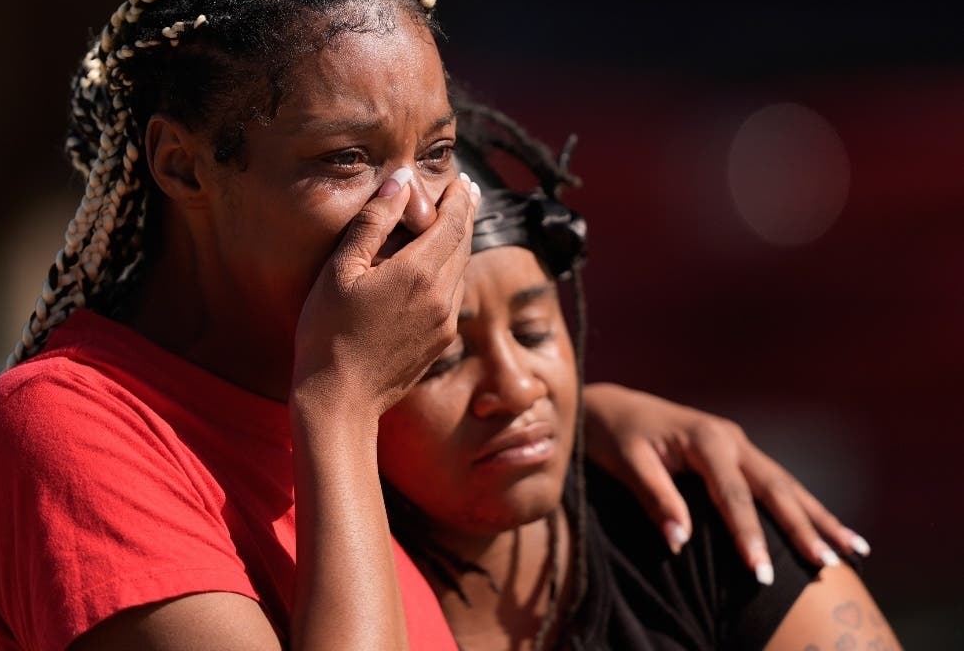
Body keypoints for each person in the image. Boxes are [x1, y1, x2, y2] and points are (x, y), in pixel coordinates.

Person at [0, 0, 869, 651]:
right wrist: (340, 406)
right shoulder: (69, 434)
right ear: (182, 167)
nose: (418, 210)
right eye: (346, 160)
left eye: (439, 151)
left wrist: (582, 420)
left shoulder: (349, 408)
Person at [376, 99, 901, 650]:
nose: (517, 387)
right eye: (444, 360)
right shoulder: (301, 586)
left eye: (532, 332)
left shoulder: (697, 532)